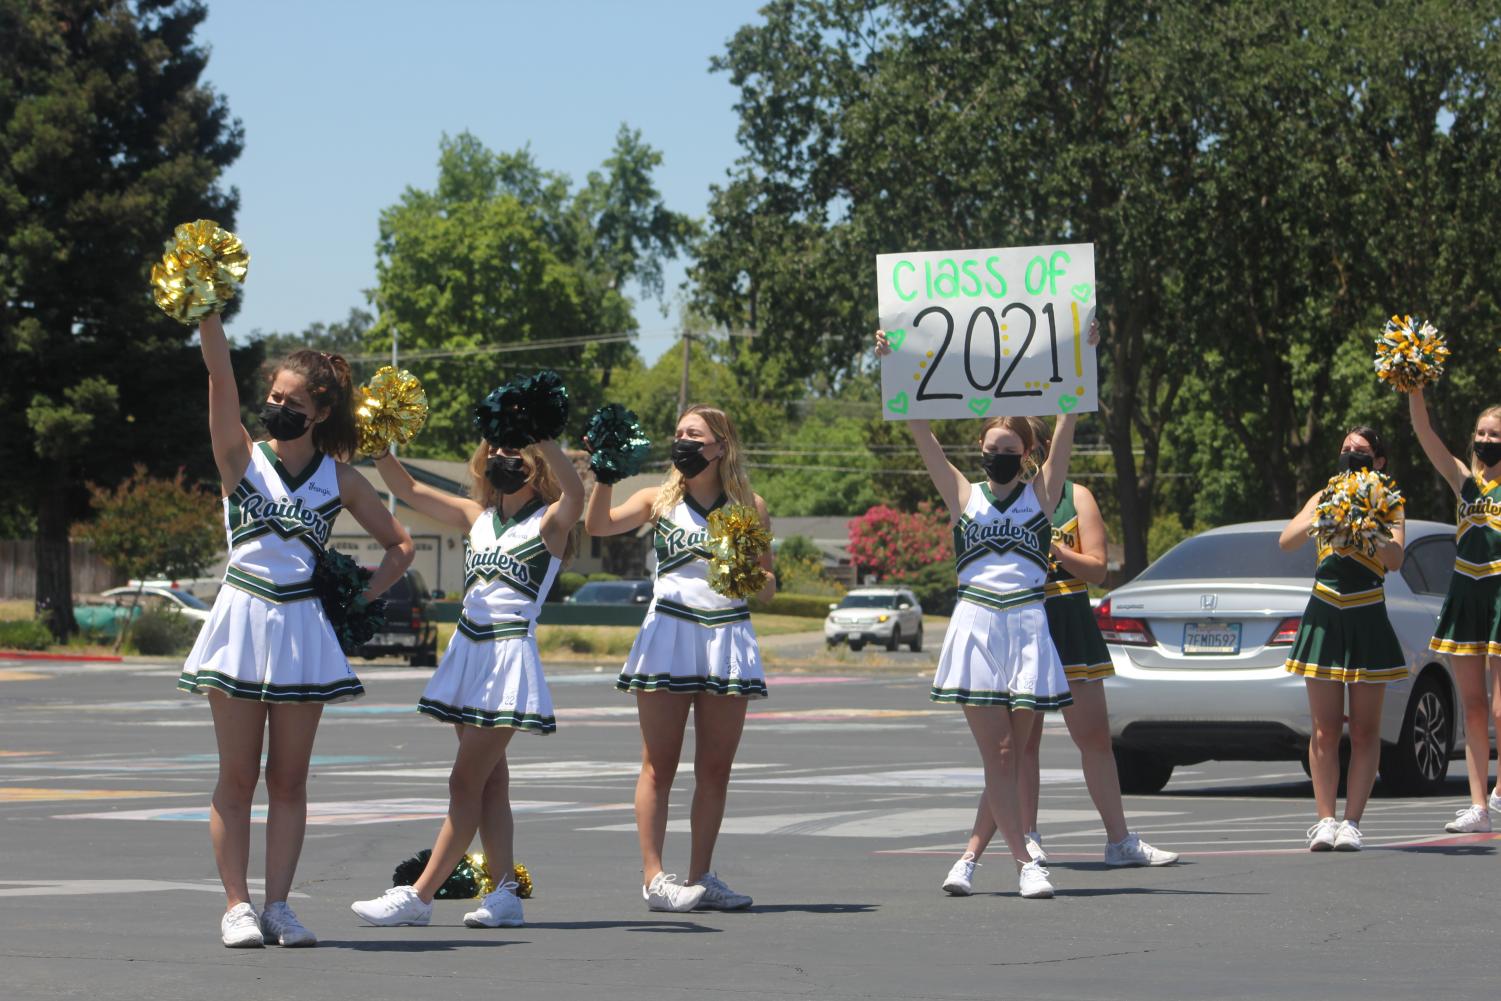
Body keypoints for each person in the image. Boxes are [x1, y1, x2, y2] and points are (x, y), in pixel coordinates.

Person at [179, 314, 414, 948]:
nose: (277, 408)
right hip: (241, 617)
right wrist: (207, 311)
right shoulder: (239, 456)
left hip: (301, 630)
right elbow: (219, 372)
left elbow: (401, 547)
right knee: (236, 777)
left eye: (292, 402)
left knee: (288, 779)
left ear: (321, 410)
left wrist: (352, 602)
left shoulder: (338, 478)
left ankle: (279, 905)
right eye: (274, 398)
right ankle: (237, 906)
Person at [351, 429, 583, 928]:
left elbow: (577, 495)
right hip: (467, 651)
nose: (501, 456)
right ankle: (504, 895)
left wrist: (542, 437)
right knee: (490, 785)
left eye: (514, 450)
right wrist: (378, 447)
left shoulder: (550, 522)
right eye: (495, 448)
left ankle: (419, 895)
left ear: (536, 461)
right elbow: (408, 489)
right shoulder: (475, 516)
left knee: (464, 781)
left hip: (507, 656)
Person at [876, 329, 1077, 899]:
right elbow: (921, 432)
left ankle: (967, 858)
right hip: (977, 624)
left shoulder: (1043, 493)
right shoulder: (964, 494)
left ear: (1026, 456)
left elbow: (1066, 424)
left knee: (1008, 759)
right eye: (991, 448)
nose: (998, 457)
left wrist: (1079, 356)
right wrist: (895, 366)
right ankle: (1025, 862)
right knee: (1003, 753)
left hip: (1029, 624)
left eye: (1009, 451)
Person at [942, 418, 1177, 895]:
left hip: (1064, 619)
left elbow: (1098, 569)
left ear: (1035, 449)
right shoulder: (982, 500)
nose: (1021, 455)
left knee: (1092, 736)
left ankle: (1119, 838)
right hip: (1013, 621)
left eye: (1030, 445)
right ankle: (1025, 837)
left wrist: (1051, 544)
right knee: (1015, 749)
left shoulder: (1069, 495)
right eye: (997, 447)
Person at [584, 404, 774, 912]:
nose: (683, 441)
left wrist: (745, 573)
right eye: (679, 433)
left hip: (726, 637)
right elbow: (597, 525)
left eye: (694, 434)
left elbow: (772, 586)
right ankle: (654, 878)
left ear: (720, 447)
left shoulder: (749, 506)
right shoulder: (657, 498)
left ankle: (701, 876)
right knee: (658, 765)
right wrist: (602, 473)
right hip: (668, 633)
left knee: (715, 769)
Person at [1278, 427, 1407, 850]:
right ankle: (1325, 820)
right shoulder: (1323, 495)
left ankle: (1352, 821)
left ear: (1380, 461)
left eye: (1362, 451)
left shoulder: (1389, 502)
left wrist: (1371, 526)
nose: (1352, 454)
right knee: (1324, 730)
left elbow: (1395, 559)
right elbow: (1287, 541)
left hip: (1367, 615)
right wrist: (1326, 513)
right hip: (1325, 615)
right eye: (1347, 448)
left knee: (1366, 731)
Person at [1408, 390, 1501, 833]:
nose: (1486, 440)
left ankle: (1500, 795)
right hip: (1465, 590)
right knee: (1474, 707)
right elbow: (1425, 433)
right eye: (1481, 433)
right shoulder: (1463, 478)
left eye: (1495, 434)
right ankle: (1479, 806)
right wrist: (1415, 387)